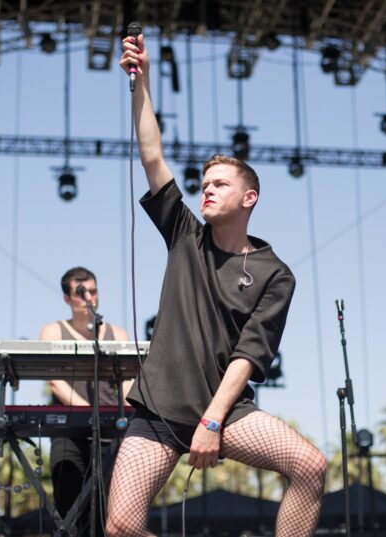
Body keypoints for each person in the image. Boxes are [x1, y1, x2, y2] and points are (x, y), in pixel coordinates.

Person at [106, 34, 326, 536]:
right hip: (159, 408)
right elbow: (151, 153)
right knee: (119, 528)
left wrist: (211, 421)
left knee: (310, 466)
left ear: (250, 197)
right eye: (203, 184)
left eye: (219, 184)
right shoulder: (185, 235)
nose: (206, 189)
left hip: (226, 411)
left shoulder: (275, 273)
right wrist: (139, 83)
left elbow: (249, 354)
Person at [39, 266, 130, 537]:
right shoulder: (53, 331)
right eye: (81, 292)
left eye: (93, 290)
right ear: (67, 298)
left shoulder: (118, 334)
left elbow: (128, 381)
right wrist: (91, 414)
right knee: (69, 508)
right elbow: (55, 381)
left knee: (107, 513)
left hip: (111, 434)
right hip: (69, 433)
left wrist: (123, 413)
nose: (89, 297)